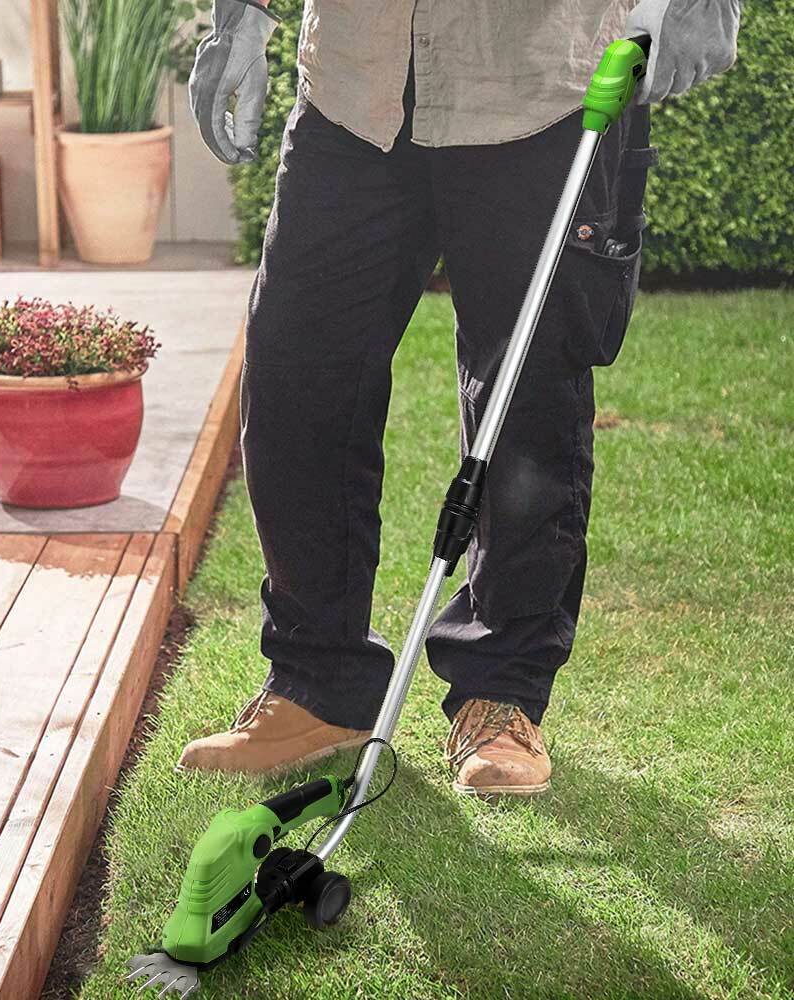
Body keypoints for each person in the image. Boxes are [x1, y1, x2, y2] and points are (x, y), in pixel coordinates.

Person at [178, 0, 740, 795]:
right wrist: (241, 19)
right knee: (297, 382)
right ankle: (317, 684)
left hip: (534, 87)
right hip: (356, 83)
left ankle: (501, 691)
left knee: (527, 406)